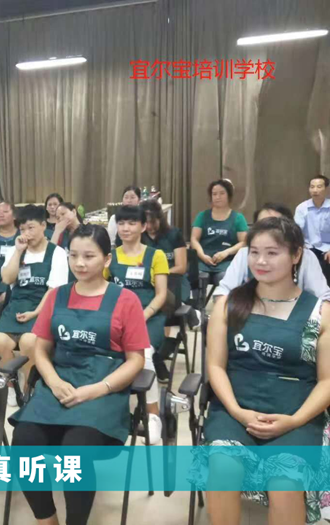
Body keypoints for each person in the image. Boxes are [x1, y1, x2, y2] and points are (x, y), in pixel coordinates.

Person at [193, 216, 330, 525]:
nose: (261, 261)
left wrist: (295, 420)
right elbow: (215, 366)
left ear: (296, 255)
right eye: (254, 252)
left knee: (285, 483)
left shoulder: (320, 313)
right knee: (223, 469)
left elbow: (327, 381)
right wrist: (237, 412)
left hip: (295, 414)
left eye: (272, 253)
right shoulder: (228, 305)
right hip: (234, 410)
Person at [10, 224, 147, 525]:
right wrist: (54, 381)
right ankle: (46, 520)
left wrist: (98, 389)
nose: (80, 263)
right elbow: (41, 349)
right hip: (59, 382)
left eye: (89, 256)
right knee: (23, 441)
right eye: (73, 256)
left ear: (107, 259)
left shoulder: (126, 300)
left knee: (76, 450)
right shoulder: (57, 296)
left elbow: (136, 360)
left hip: (103, 387)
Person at [0, 205, 69, 406]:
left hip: (43, 306)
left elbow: (53, 291)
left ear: (44, 225)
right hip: (16, 305)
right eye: (22, 229)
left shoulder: (56, 253)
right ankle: (11, 385)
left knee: (29, 341)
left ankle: (29, 387)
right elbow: (7, 278)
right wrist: (18, 252)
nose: (26, 233)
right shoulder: (16, 250)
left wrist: (35, 312)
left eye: (31, 228)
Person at [104, 205, 168, 443]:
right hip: (116, 318)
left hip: (147, 317)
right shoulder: (110, 256)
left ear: (143, 227)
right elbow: (101, 289)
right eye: (121, 223)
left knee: (144, 353)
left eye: (131, 223)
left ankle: (152, 415)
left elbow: (161, 295)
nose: (125, 228)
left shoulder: (156, 255)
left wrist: (143, 314)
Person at [215, 203, 330, 301]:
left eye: (274, 225)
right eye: (261, 225)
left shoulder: (306, 257)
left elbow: (323, 295)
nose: (261, 261)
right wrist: (222, 310)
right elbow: (224, 290)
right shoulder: (244, 254)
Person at [190, 179, 248, 276]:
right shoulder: (202, 216)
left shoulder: (238, 218)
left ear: (229, 195)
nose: (218, 197)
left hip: (227, 260)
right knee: (199, 278)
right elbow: (194, 239)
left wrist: (226, 252)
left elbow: (244, 242)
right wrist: (202, 255)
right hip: (203, 260)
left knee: (223, 277)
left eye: (222, 193)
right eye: (214, 194)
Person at [295, 175, 330, 284]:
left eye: (319, 187)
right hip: (308, 247)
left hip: (327, 247)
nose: (315, 190)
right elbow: (296, 231)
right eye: (312, 187)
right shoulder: (302, 208)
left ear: (326, 189)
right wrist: (301, 246)